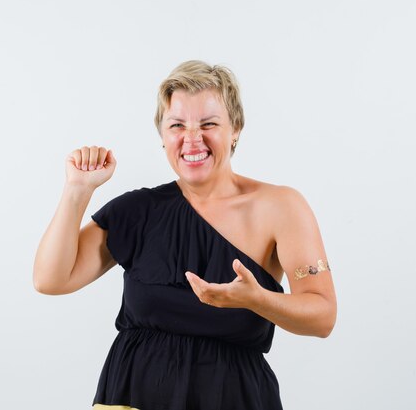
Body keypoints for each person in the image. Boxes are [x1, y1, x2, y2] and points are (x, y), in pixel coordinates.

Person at [33, 60, 337, 410]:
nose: (192, 138)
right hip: (131, 396)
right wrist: (77, 190)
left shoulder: (281, 207)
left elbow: (322, 316)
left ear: (235, 128)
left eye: (209, 124)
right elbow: (50, 280)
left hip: (232, 398)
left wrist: (256, 299)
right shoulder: (137, 210)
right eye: (177, 125)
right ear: (162, 135)